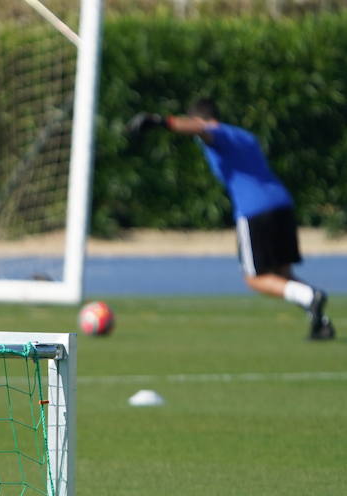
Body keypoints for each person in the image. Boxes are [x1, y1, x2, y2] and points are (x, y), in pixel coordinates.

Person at [128, 99, 333, 340]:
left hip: (255, 210)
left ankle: (310, 297)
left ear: (199, 118)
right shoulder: (244, 135)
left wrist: (160, 122)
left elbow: (201, 129)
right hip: (282, 204)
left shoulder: (217, 133)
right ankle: (321, 322)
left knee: (255, 279)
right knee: (282, 275)